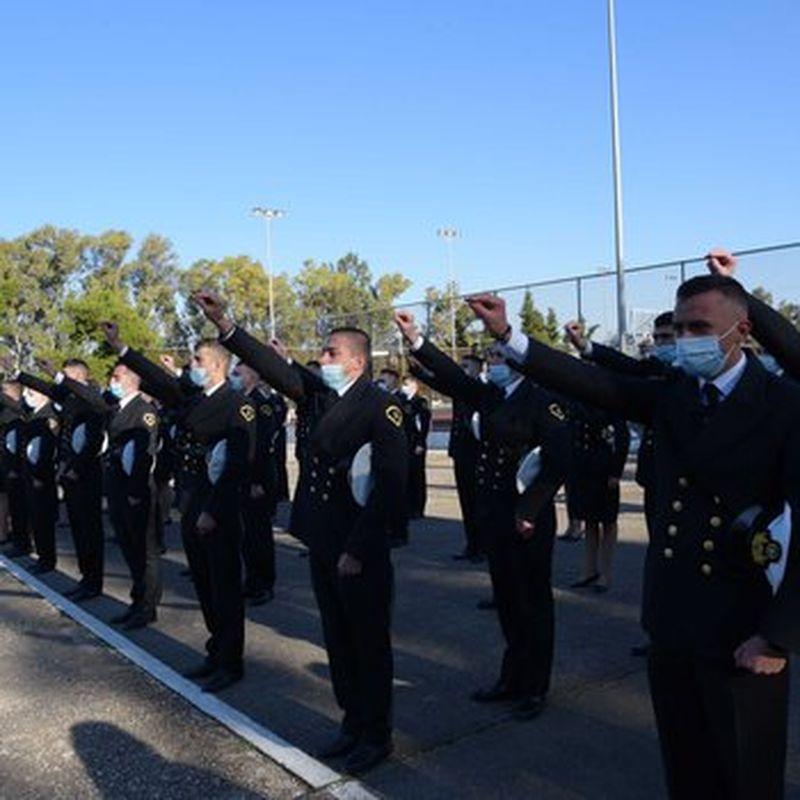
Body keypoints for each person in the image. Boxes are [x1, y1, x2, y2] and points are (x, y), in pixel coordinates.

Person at [468, 279, 800, 799]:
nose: (686, 339)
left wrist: (779, 635)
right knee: (687, 768)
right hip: (671, 618)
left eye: (700, 329)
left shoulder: (785, 405)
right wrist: (511, 335)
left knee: (746, 776)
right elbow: (591, 383)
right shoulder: (673, 394)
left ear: (742, 330)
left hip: (745, 627)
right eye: (680, 326)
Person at [194, 289, 407, 776]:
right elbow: (272, 368)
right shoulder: (318, 395)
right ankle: (352, 722)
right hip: (323, 542)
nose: (322, 358)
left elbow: (390, 487)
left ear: (355, 361)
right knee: (338, 638)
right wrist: (226, 324)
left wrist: (358, 548)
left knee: (368, 643)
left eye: (332, 352)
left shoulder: (380, 407)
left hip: (359, 548)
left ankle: (377, 734)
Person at [395, 310, 572, 722]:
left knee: (533, 602)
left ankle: (534, 686)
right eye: (489, 358)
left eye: (498, 358)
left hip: (528, 517)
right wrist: (417, 340)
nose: (492, 364)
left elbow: (558, 463)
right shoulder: (492, 396)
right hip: (496, 513)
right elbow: (453, 380)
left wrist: (529, 511)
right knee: (508, 599)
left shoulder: (546, 402)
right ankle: (511, 677)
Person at [102, 321, 255, 693]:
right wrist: (123, 349)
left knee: (225, 587)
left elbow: (236, 466)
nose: (192, 365)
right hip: (193, 501)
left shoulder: (239, 405)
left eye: (198, 359)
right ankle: (215, 650)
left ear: (217, 365)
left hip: (216, 508)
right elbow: (158, 380)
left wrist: (212, 511)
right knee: (204, 583)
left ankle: (231, 662)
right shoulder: (195, 399)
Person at [54, 360, 162, 629]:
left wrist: (136, 492)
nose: (112, 380)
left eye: (116, 375)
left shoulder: (144, 411)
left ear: (132, 379)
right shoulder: (114, 408)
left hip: (135, 490)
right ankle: (137, 602)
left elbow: (144, 454)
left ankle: (146, 607)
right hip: (116, 487)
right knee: (128, 547)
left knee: (143, 552)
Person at [17, 360, 106, 601]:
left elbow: (93, 441)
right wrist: (19, 373)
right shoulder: (71, 401)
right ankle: (86, 578)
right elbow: (45, 388)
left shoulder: (92, 399)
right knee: (78, 529)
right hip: (70, 476)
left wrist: (75, 469)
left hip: (87, 476)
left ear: (79, 377)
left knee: (90, 531)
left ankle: (93, 582)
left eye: (66, 377)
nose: (61, 382)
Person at [564, 399, 629, 592]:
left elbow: (621, 437)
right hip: (583, 468)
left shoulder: (608, 399)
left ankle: (605, 574)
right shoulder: (576, 398)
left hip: (604, 468)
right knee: (590, 519)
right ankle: (589, 570)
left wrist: (616, 471)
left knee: (608, 521)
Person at [230, 361, 282, 606]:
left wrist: (257, 480)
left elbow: (262, 446)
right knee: (247, 535)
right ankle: (251, 581)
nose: (234, 377)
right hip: (244, 478)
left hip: (258, 479)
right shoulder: (242, 402)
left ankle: (264, 584)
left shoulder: (262, 405)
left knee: (259, 534)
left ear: (252, 374)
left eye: (238, 373)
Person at [20, 385, 59, 574]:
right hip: (31, 472)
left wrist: (38, 475)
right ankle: (42, 557)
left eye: (32, 392)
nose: (27, 396)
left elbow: (47, 449)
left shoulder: (48, 416)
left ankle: (47, 560)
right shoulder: (36, 413)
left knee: (43, 520)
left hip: (41, 476)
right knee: (36, 518)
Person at [0, 380, 28, 555]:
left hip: (15, 467)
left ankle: (12, 536)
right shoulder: (6, 414)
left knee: (16, 504)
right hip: (5, 462)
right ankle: (6, 533)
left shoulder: (19, 416)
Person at [399, 375, 431, 520]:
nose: (404, 387)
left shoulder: (420, 402)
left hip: (416, 443)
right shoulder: (402, 401)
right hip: (405, 443)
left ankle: (418, 508)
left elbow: (423, 425)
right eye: (403, 384)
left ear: (415, 386)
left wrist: (420, 443)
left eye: (407, 384)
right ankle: (408, 506)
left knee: (417, 476)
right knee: (407, 475)